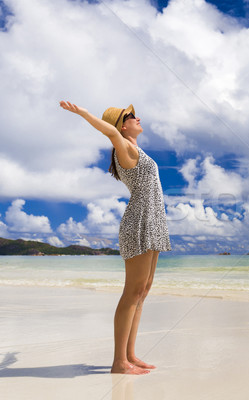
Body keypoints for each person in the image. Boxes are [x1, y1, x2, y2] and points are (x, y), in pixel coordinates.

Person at [59, 101, 172, 374]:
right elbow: (110, 133)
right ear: (122, 125)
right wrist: (84, 114)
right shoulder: (123, 145)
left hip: (153, 222)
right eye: (133, 116)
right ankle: (119, 362)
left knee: (142, 293)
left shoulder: (136, 149)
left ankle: (130, 355)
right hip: (139, 223)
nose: (139, 117)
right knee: (132, 292)